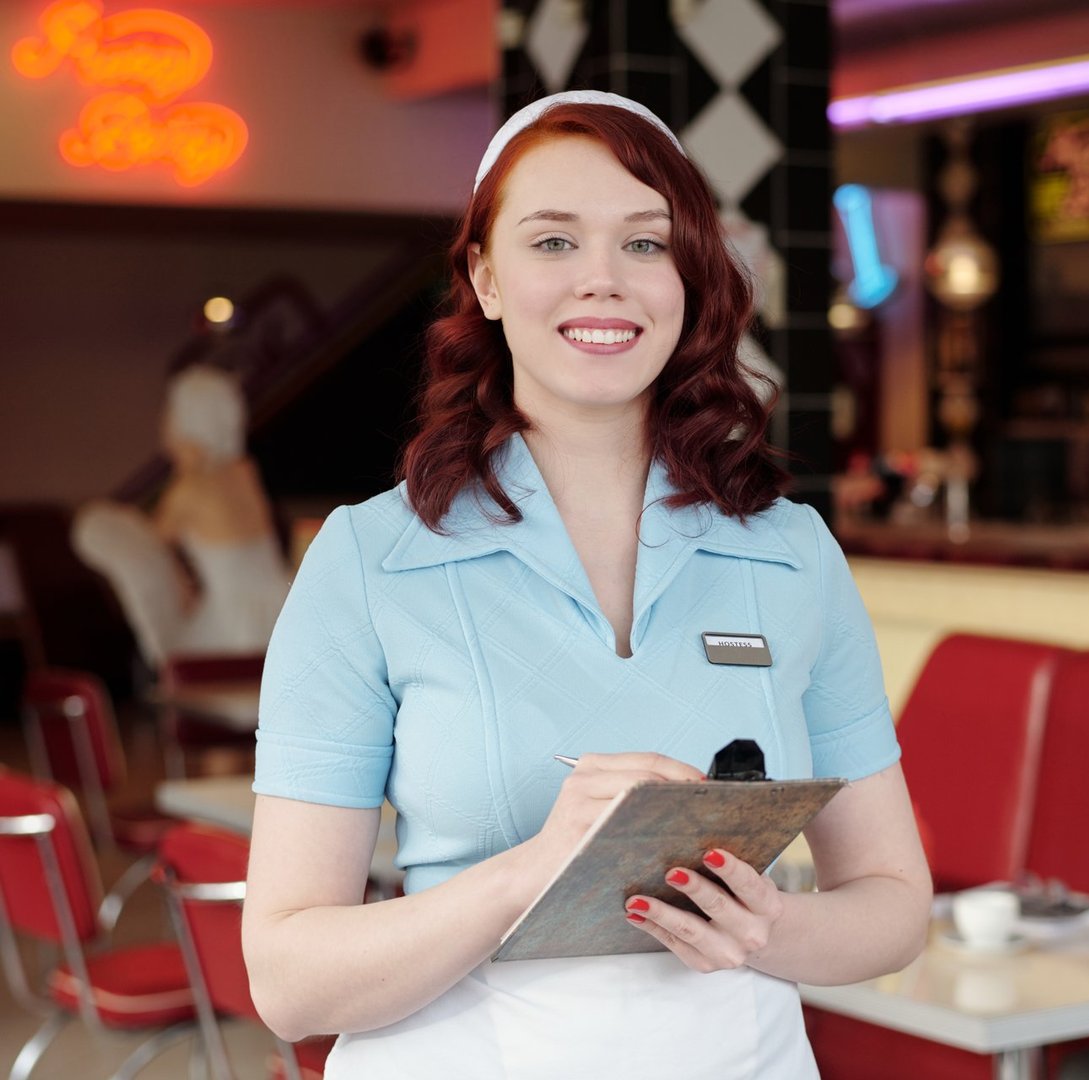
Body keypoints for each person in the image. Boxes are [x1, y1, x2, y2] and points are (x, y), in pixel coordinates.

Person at [241, 91, 932, 1078]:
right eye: (553, 242)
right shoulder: (369, 562)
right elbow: (288, 980)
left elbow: (895, 904)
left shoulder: (792, 554)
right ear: (484, 275)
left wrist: (762, 924)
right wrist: (533, 869)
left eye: (646, 245)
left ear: (690, 276)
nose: (603, 281)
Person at [71, 365, 289, 665]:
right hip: (283, 603)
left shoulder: (187, 490)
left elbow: (151, 549)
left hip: (234, 622)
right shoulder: (244, 473)